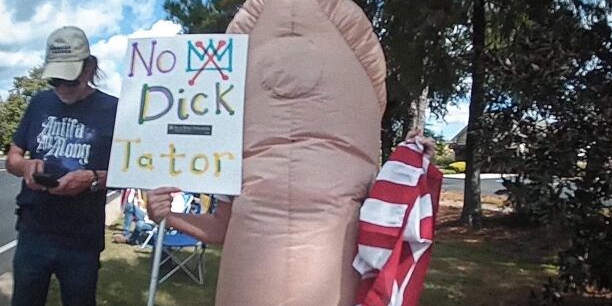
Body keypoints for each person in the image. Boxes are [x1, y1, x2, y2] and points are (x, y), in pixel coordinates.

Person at [5, 26, 118, 306]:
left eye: (69, 80)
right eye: (56, 80)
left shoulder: (114, 109)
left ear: (89, 68)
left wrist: (94, 179)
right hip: (34, 231)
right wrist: (26, 168)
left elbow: (132, 171)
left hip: (80, 239)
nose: (62, 88)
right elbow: (12, 158)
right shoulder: (38, 102)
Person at [144, 131, 435, 245]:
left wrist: (406, 166)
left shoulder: (345, 147)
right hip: (256, 296)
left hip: (332, 299)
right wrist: (167, 216)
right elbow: (222, 228)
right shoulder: (238, 151)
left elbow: (383, 218)